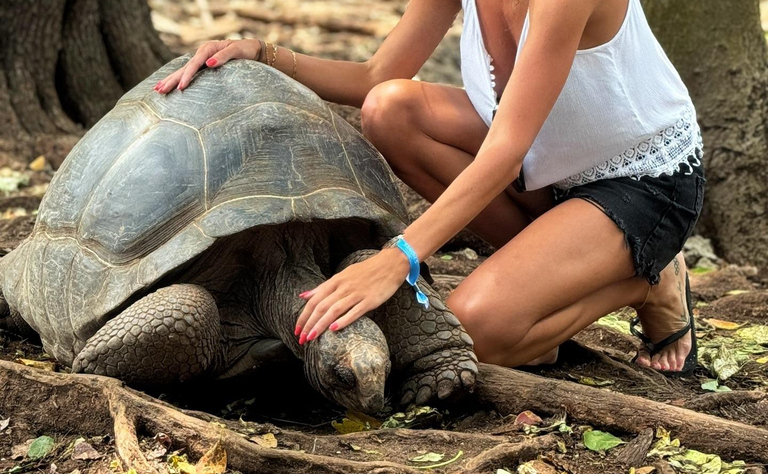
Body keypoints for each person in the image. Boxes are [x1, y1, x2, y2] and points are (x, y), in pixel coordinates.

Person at [157, 0, 704, 375]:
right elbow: (376, 76)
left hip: (641, 183)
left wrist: (399, 257)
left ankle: (650, 279)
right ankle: (549, 277)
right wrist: (262, 52)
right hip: (547, 168)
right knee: (391, 110)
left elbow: (505, 148)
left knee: (474, 334)